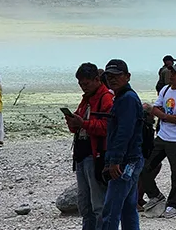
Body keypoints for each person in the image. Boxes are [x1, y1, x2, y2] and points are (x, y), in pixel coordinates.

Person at [141, 61, 176, 218]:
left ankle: (173, 205)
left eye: (175, 73)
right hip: (162, 137)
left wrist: (162, 115)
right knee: (145, 169)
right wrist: (166, 116)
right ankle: (155, 196)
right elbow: (156, 109)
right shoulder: (164, 90)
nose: (171, 75)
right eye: (171, 72)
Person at [67, 62, 114, 230]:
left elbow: (107, 127)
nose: (83, 87)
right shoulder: (86, 99)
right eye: (80, 84)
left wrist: (84, 123)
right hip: (82, 155)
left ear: (96, 80)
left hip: (95, 156)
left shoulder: (105, 98)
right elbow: (78, 126)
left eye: (85, 84)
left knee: (98, 204)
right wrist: (73, 122)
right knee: (85, 204)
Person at [100, 59, 144, 230]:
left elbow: (124, 132)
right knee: (128, 208)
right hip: (132, 159)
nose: (112, 79)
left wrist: (114, 160)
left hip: (126, 160)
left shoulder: (127, 99)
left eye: (117, 76)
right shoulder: (123, 97)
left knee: (111, 211)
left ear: (127, 76)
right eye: (109, 76)